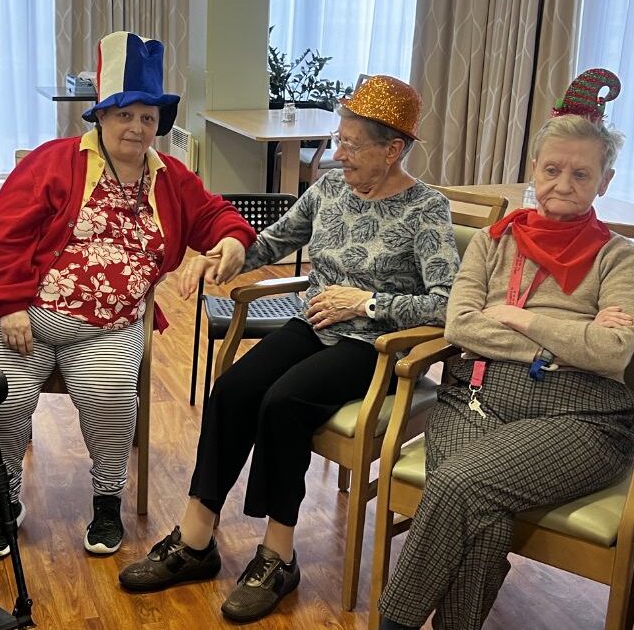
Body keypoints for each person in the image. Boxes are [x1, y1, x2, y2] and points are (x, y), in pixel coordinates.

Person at [119, 75, 462, 623]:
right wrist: (220, 256)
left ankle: (278, 557)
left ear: (393, 149)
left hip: (374, 346)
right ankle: (195, 541)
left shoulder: (427, 211)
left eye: (352, 144)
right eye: (338, 138)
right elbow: (273, 242)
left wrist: (368, 302)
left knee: (284, 404)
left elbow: (449, 305)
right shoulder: (329, 190)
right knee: (231, 390)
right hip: (315, 325)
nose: (337, 153)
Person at [377, 69, 634, 630]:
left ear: (605, 180)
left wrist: (522, 317)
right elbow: (461, 325)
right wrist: (567, 339)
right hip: (475, 396)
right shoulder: (493, 242)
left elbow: (613, 352)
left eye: (581, 173)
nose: (563, 183)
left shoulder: (620, 257)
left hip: (581, 417)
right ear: (533, 171)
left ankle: (392, 623)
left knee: (456, 484)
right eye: (552, 169)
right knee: (485, 517)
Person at [0, 31, 256, 558]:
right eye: (125, 114)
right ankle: (3, 499)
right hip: (23, 316)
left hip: (108, 326)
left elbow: (218, 215)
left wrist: (232, 240)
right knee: (3, 404)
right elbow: (8, 230)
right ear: (101, 116)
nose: (137, 127)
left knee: (109, 401)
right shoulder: (52, 161)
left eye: (148, 117)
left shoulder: (171, 178)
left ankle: (107, 499)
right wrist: (9, 305)